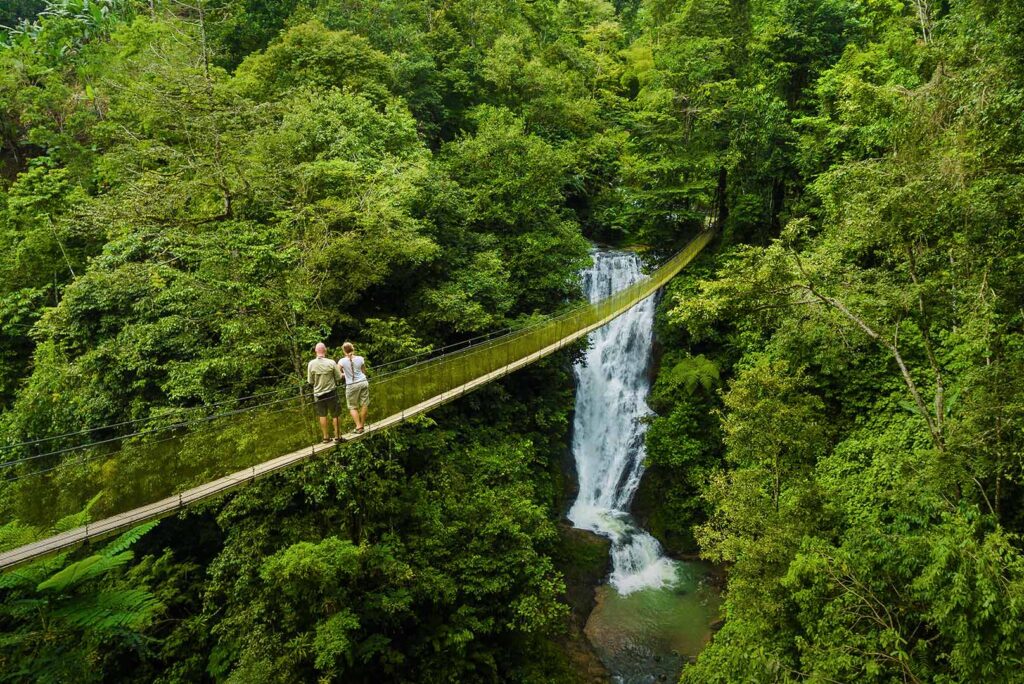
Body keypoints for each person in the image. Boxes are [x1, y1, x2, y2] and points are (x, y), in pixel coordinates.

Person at [307, 343, 343, 443]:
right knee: (335, 414)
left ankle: (326, 437)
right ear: (325, 351)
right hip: (331, 392)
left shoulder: (311, 364)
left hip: (318, 394)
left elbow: (310, 381)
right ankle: (337, 436)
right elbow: (339, 377)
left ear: (315, 351)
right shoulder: (331, 363)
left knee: (322, 415)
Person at [339, 341, 370, 433]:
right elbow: (363, 371)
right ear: (353, 349)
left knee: (352, 407)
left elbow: (338, 374)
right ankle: (362, 425)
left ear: (344, 351)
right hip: (363, 382)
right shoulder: (360, 358)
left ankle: (358, 427)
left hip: (351, 385)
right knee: (364, 404)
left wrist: (345, 374)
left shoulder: (342, 361)